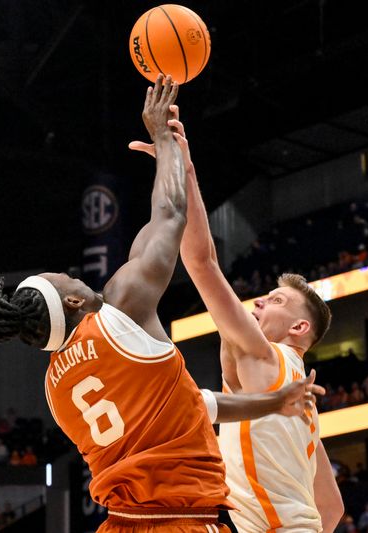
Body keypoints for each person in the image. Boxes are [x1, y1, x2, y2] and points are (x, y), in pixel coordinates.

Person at [0, 75, 324, 533]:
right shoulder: (120, 310)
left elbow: (196, 406)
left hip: (121, 522)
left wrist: (273, 402)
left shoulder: (56, 391)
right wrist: (166, 142)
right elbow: (170, 215)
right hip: (180, 520)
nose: (77, 275)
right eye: (69, 277)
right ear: (74, 300)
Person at [130, 107, 344, 532]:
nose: (261, 301)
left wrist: (183, 168)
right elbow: (332, 510)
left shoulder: (266, 358)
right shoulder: (301, 406)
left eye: (277, 300)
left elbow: (201, 261)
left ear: (300, 328)